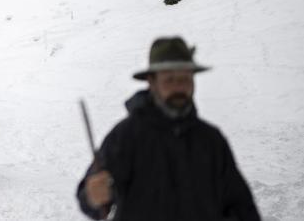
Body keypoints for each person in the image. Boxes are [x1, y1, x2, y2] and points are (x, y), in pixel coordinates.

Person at [76, 37, 260, 220]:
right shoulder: (126, 136)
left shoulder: (211, 140)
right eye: (169, 79)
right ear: (151, 82)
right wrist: (92, 195)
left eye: (185, 79)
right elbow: (90, 195)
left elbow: (241, 206)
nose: (179, 87)